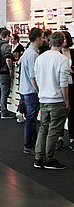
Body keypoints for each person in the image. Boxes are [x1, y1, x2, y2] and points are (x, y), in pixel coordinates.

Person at [34, 31, 70, 170]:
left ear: (49, 42)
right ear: (62, 42)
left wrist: (41, 93)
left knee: (43, 128)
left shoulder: (40, 58)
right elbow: (63, 84)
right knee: (54, 131)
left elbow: (36, 78)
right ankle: (50, 159)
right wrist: (67, 101)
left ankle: (39, 158)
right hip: (57, 100)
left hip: (44, 99)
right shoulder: (63, 60)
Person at [18, 27, 44, 155]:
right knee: (31, 119)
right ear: (37, 38)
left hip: (25, 89)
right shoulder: (33, 55)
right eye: (42, 37)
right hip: (31, 91)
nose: (44, 40)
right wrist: (39, 91)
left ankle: (32, 143)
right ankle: (28, 145)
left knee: (31, 118)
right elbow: (33, 77)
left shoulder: (27, 52)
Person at [55, 30, 74, 151]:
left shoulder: (72, 52)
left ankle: (72, 139)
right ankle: (60, 138)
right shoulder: (57, 54)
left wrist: (69, 70)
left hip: (72, 86)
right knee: (60, 114)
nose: (63, 41)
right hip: (61, 87)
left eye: (65, 39)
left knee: (72, 114)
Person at [0, 29, 16, 119]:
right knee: (4, 93)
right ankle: (4, 112)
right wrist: (10, 69)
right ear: (7, 36)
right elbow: (7, 58)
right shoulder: (6, 46)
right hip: (3, 72)